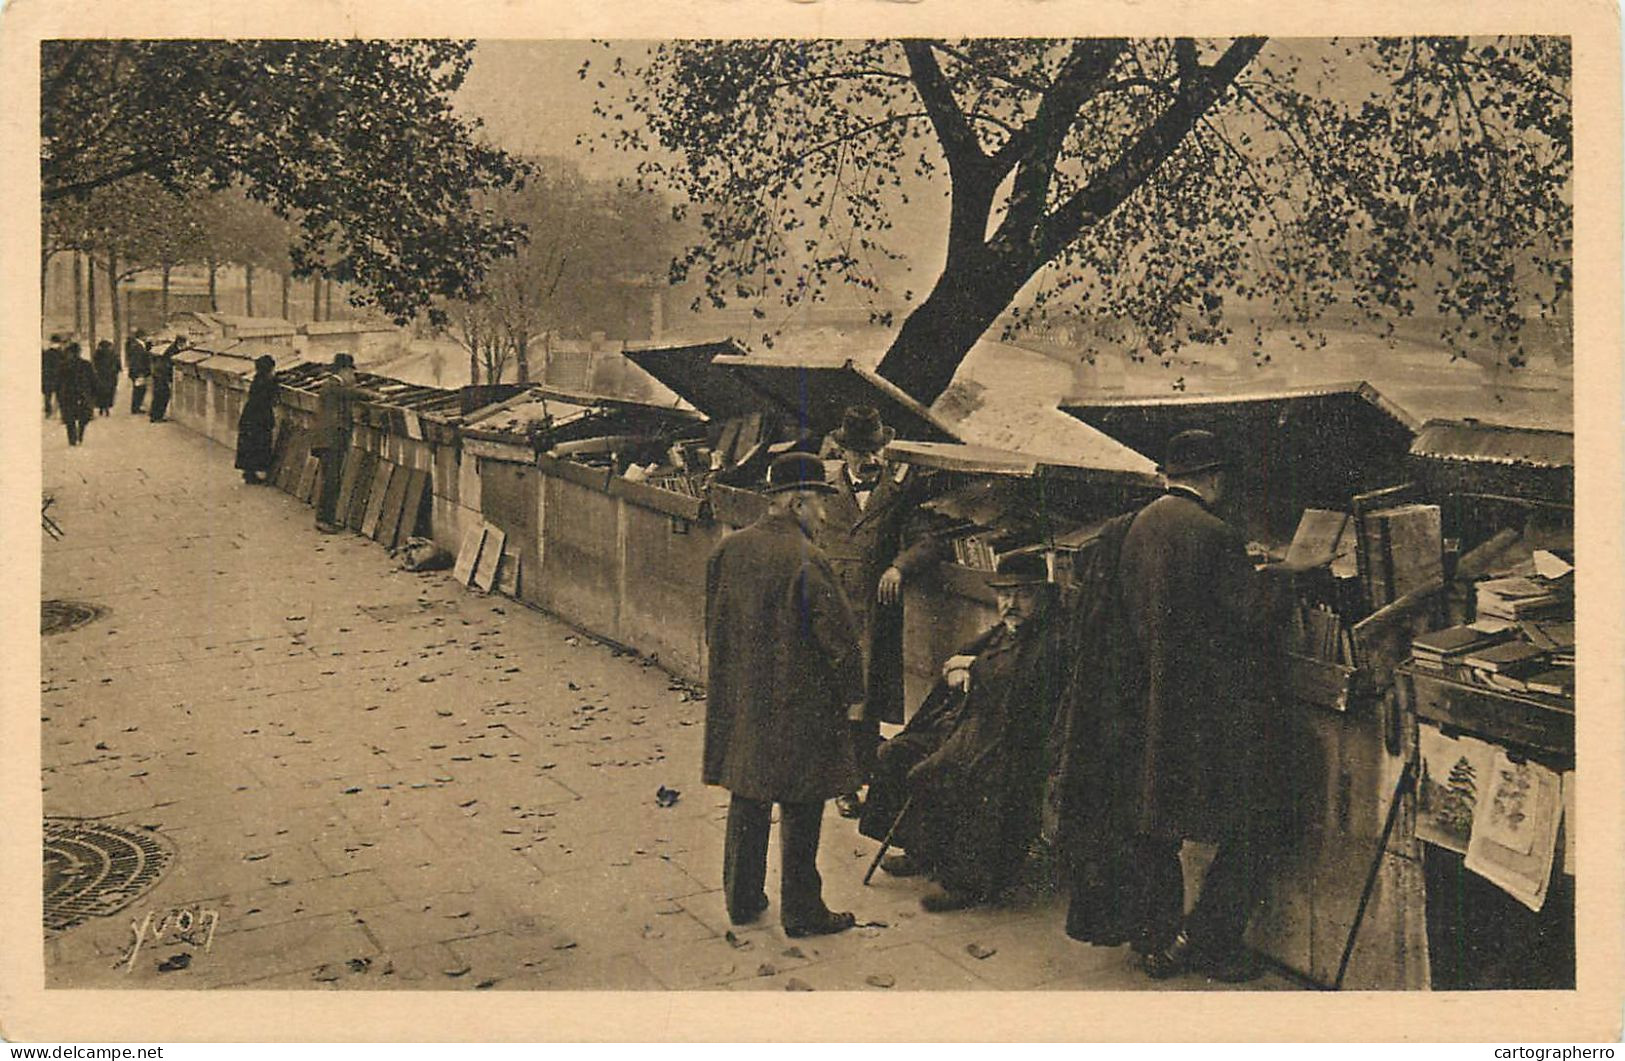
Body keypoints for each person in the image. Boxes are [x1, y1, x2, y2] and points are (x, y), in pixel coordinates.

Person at [1082, 429, 1286, 982]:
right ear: (1215, 479)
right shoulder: (1216, 534)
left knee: (1154, 826)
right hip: (1205, 716)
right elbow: (1251, 618)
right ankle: (1209, 942)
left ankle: (1154, 941)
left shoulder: (1137, 524)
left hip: (1146, 705)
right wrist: (1282, 579)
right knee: (1258, 820)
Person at [703, 451, 866, 938]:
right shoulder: (809, 560)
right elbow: (839, 642)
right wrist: (852, 699)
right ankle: (802, 912)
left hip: (744, 700)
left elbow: (714, 628)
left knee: (748, 794)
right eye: (819, 504)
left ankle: (742, 899)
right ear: (796, 502)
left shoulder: (728, 551)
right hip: (801, 706)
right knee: (803, 802)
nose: (823, 515)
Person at [859, 550, 1066, 912]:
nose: (1010, 603)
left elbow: (1021, 683)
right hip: (974, 725)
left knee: (938, 769)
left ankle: (967, 880)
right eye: (1004, 594)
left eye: (1022, 594)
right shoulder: (1006, 629)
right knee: (894, 753)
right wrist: (957, 666)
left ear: (1042, 596)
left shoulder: (1052, 637)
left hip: (1012, 740)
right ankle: (922, 849)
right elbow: (960, 660)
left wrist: (971, 666)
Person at [815, 405, 944, 819]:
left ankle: (859, 776)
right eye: (861, 451)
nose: (870, 460)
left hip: (873, 610)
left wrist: (897, 566)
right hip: (832, 606)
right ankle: (841, 780)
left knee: (865, 696)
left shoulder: (900, 491)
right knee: (835, 694)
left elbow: (927, 541)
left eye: (876, 451)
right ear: (843, 451)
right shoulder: (824, 489)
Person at [313, 352, 370, 532]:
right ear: (344, 370)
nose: (352, 377)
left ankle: (327, 518)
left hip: (329, 440)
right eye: (351, 372)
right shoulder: (333, 385)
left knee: (332, 479)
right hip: (330, 440)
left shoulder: (331, 385)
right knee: (331, 480)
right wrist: (376, 396)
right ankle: (323, 520)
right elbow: (351, 392)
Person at [234, 355, 279, 484]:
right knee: (259, 444)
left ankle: (249, 473)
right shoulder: (267, 382)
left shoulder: (257, 379)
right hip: (260, 418)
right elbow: (272, 398)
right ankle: (253, 474)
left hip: (250, 416)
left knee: (249, 445)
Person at [56, 342, 97, 446]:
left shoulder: (63, 365)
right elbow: (93, 380)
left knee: (70, 419)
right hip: (82, 394)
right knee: (83, 417)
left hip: (68, 395)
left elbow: (58, 382)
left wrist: (59, 395)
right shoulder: (86, 364)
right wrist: (93, 394)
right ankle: (79, 436)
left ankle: (72, 439)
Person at [148, 335, 181, 422]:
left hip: (159, 374)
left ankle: (154, 415)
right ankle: (157, 416)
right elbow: (170, 363)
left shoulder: (172, 348)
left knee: (159, 395)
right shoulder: (174, 350)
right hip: (161, 375)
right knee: (163, 395)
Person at [125, 329, 151, 414]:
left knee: (139, 389)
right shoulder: (137, 346)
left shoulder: (137, 345)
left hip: (137, 371)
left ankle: (136, 407)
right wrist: (140, 372)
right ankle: (136, 408)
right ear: (141, 336)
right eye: (145, 336)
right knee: (139, 389)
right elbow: (137, 360)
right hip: (139, 372)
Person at [92, 339, 120, 416]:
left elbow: (95, 365)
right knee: (109, 392)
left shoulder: (97, 354)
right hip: (110, 376)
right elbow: (117, 366)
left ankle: (101, 408)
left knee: (101, 393)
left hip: (101, 376)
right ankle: (107, 408)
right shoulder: (113, 354)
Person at [42, 334, 64, 416]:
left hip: (48, 376)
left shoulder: (47, 353)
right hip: (58, 376)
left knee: (48, 395)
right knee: (59, 395)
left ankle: (48, 411)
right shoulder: (61, 353)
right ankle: (57, 411)